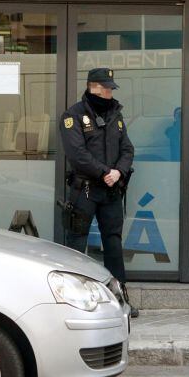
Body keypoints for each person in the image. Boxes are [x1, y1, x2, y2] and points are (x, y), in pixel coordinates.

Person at [59, 67, 138, 317]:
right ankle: (73, 301)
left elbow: (127, 149)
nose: (109, 91)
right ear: (93, 87)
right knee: (76, 244)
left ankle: (120, 299)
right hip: (85, 190)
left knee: (113, 243)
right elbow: (77, 154)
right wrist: (105, 171)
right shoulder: (73, 116)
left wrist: (119, 172)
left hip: (111, 191)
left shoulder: (116, 114)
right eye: (106, 87)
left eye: (111, 87)